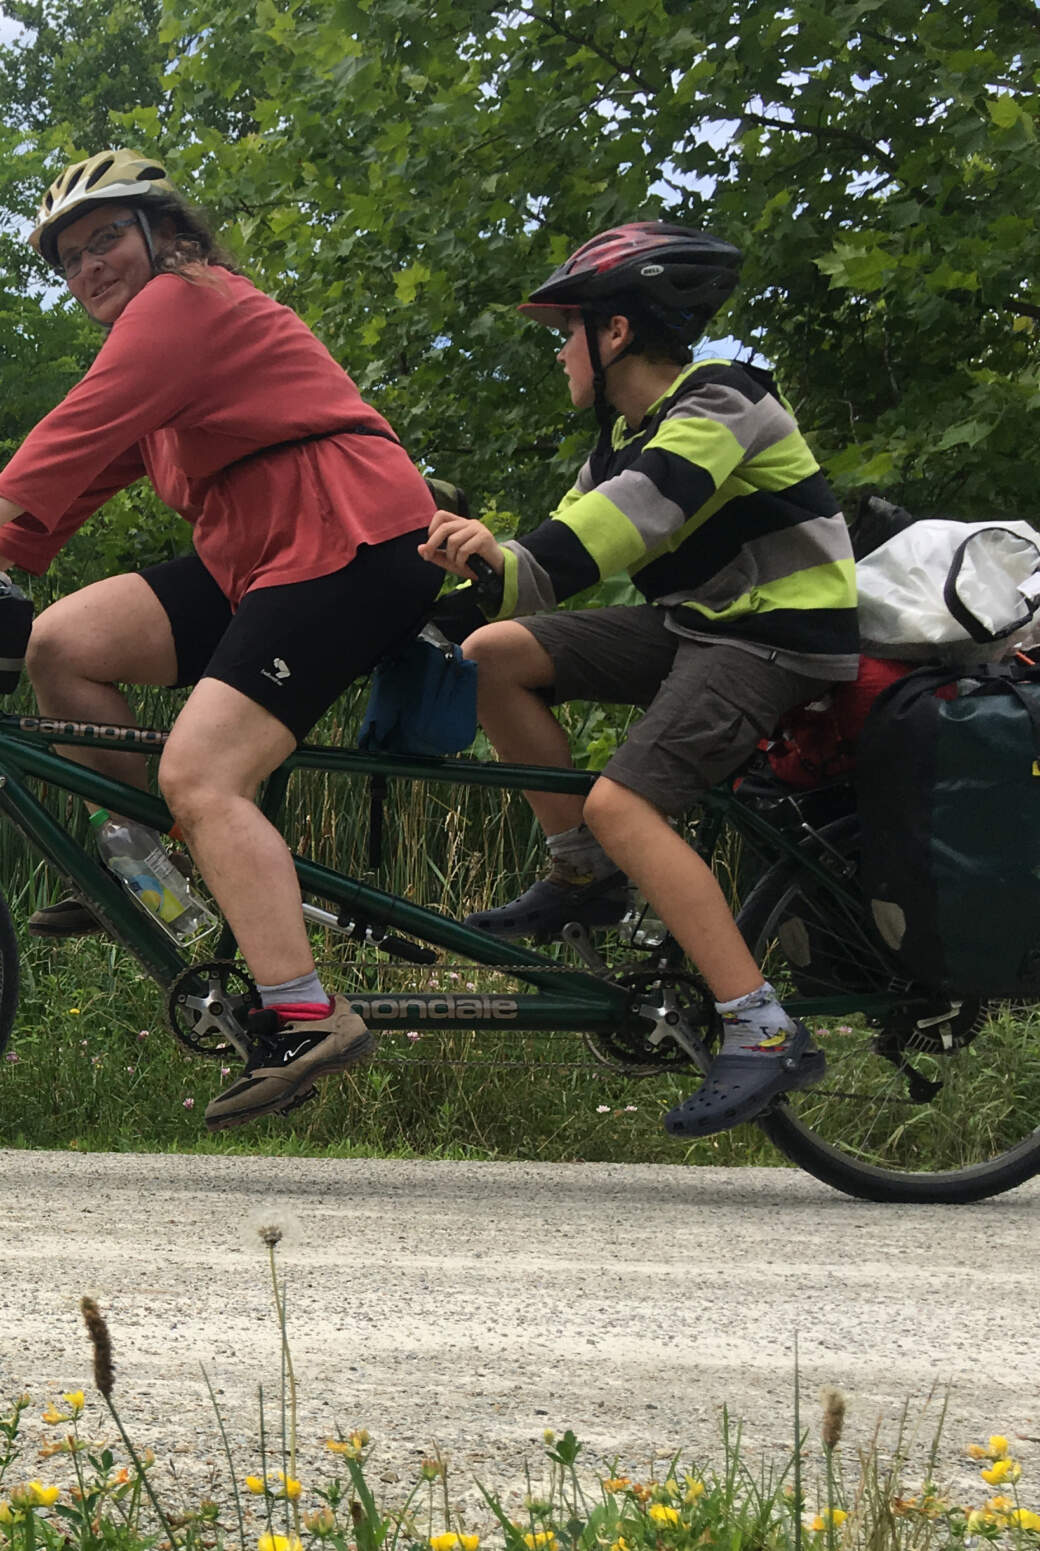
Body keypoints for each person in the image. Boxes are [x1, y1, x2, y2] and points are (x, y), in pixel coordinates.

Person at [0, 149, 443, 1129]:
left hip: (347, 536)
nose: (88, 267)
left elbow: (69, 430)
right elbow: (74, 482)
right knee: (62, 646)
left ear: (166, 233)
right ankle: (151, 868)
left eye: (104, 237)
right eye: (68, 259)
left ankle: (305, 1015)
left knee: (203, 774)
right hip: (259, 551)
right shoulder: (153, 351)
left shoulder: (186, 300)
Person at [420, 220, 858, 1138]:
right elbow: (534, 573)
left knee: (626, 804)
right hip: (699, 624)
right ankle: (583, 875)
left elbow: (624, 524)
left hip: (773, 637)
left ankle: (761, 1026)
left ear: (614, 331)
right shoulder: (623, 439)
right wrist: (433, 586)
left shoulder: (723, 401)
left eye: (563, 333)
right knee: (493, 654)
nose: (558, 357)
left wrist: (504, 554)